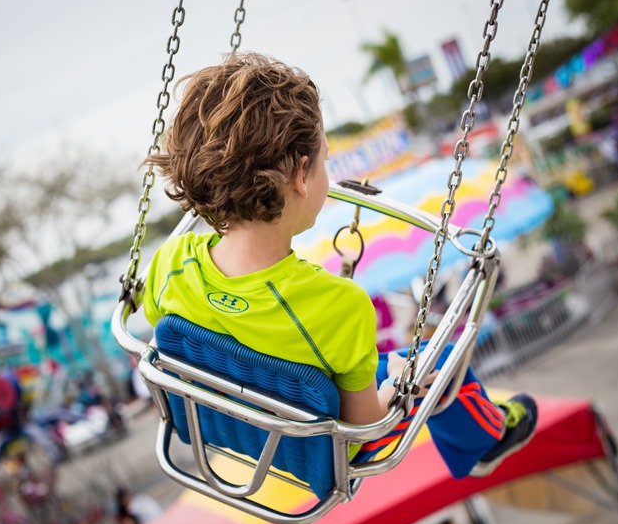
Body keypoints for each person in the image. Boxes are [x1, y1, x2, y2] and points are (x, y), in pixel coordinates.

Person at [141, 52, 537, 480]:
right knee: (435, 365)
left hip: (230, 424)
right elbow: (366, 427)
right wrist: (394, 391)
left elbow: (212, 332)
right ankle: (485, 437)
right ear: (301, 176)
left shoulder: (170, 263)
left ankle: (475, 430)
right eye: (326, 160)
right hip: (319, 447)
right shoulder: (340, 307)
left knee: (380, 360)